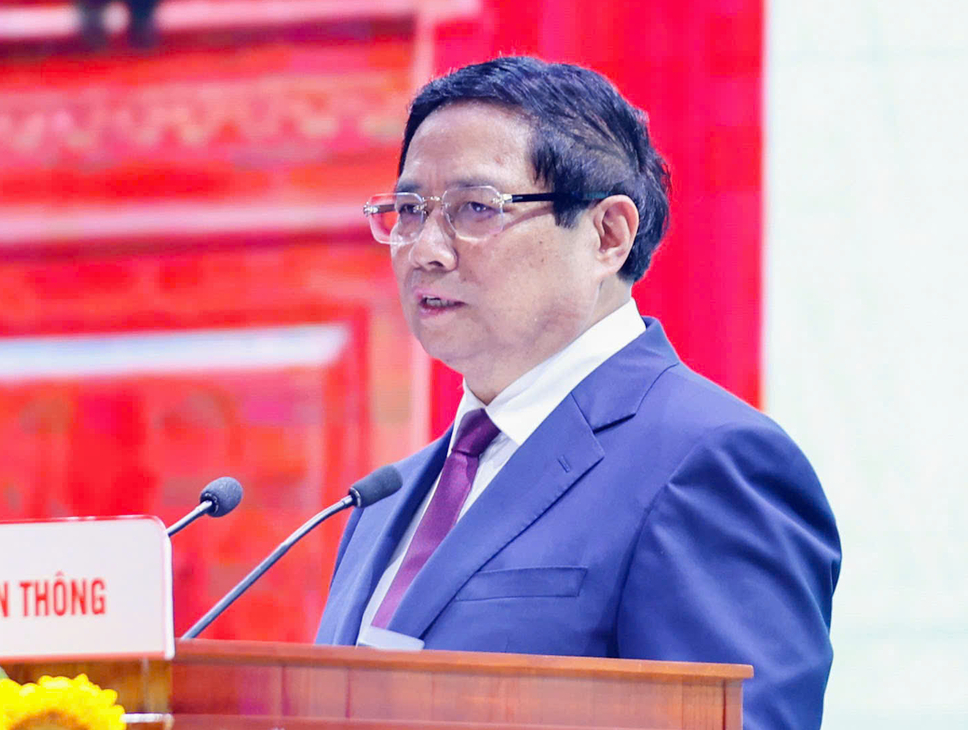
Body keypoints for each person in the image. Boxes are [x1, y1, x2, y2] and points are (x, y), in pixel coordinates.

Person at [315, 57, 841, 730]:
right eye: (411, 211)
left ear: (607, 235)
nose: (426, 250)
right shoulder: (382, 503)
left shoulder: (709, 462)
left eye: (476, 208)